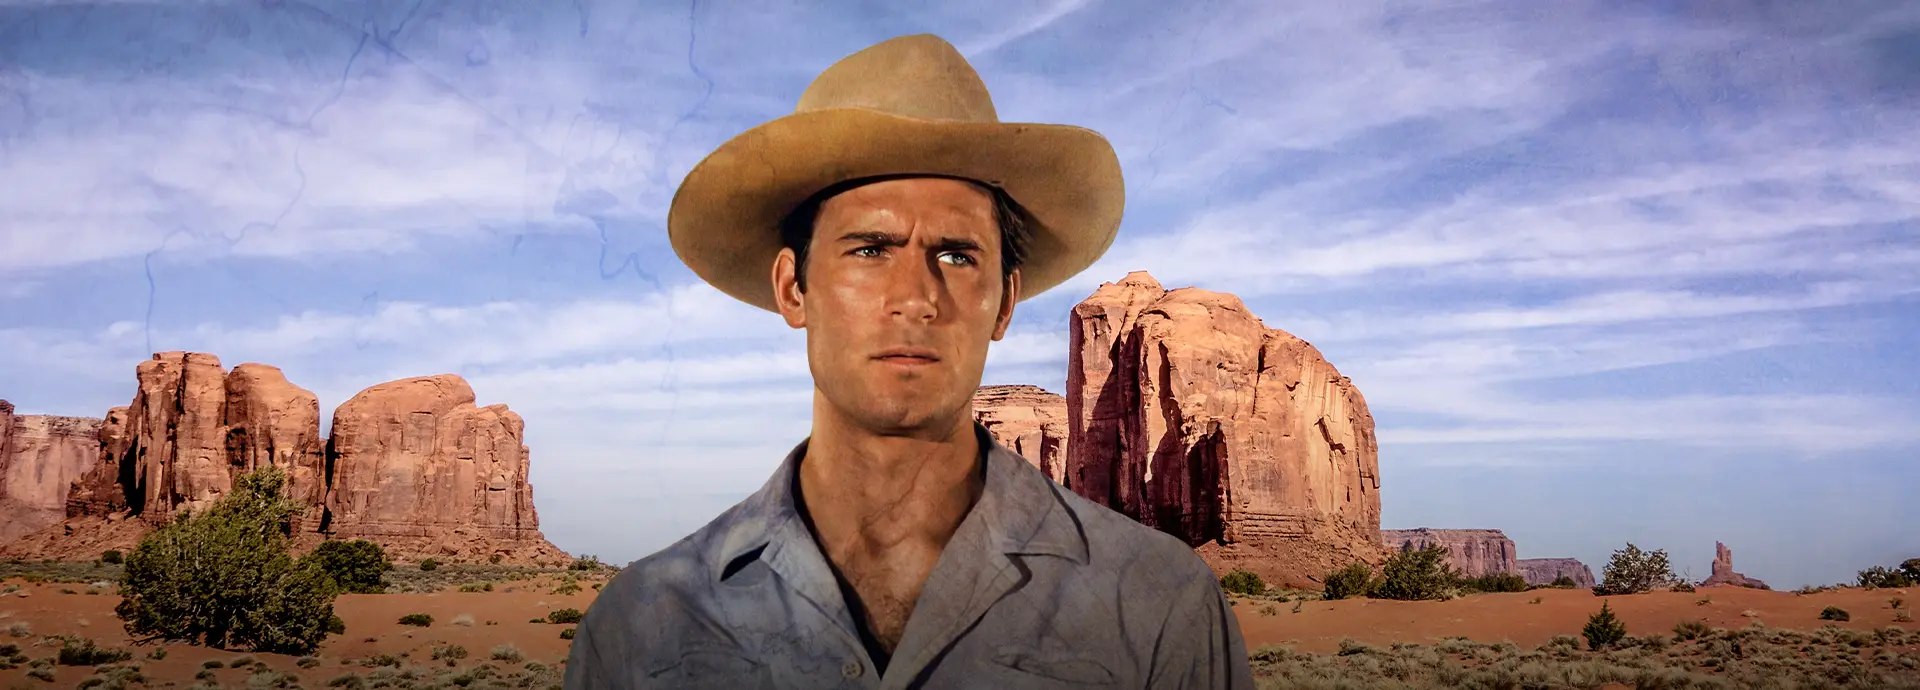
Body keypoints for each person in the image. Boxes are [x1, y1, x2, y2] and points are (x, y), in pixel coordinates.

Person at [564, 34, 1253, 690]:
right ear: (793, 289)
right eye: (870, 249)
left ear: (1005, 303)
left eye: (957, 255)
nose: (917, 298)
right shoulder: (641, 631)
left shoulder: (1159, 610)